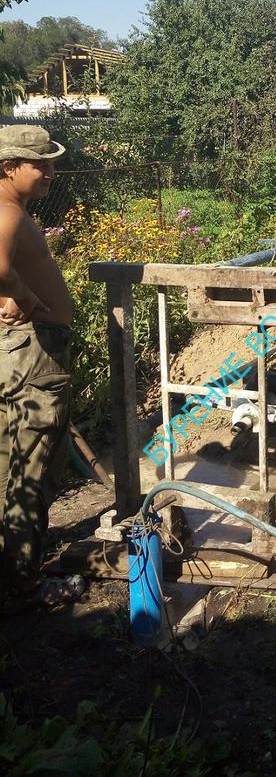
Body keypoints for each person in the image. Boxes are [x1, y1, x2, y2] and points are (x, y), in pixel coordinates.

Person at [0, 125, 84, 609]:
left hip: (17, 351)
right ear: (9, 167)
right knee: (32, 465)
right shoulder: (7, 212)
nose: (50, 170)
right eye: (41, 163)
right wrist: (26, 298)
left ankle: (12, 569)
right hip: (33, 356)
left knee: (10, 460)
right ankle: (27, 583)